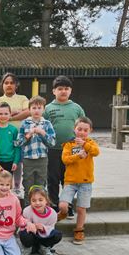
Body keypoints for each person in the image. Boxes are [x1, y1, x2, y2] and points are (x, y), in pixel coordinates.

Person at [44, 76, 85, 213]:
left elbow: (83, 127)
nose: (63, 91)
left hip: (72, 149)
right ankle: (54, 204)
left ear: (70, 91)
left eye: (66, 89)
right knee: (53, 178)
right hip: (53, 149)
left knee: (69, 179)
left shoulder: (76, 108)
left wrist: (83, 144)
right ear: (53, 91)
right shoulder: (48, 109)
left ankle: (68, 205)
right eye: (60, 89)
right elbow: (43, 127)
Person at [58, 117, 100, 245]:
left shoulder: (91, 143)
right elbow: (65, 159)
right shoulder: (68, 144)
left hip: (85, 182)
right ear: (74, 129)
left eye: (85, 130)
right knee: (63, 205)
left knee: (81, 208)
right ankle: (63, 213)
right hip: (70, 181)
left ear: (90, 131)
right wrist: (77, 156)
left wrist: (85, 145)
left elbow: (96, 152)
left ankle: (79, 230)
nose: (82, 132)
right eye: (79, 129)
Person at [0, 73, 30, 195]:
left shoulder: (22, 98)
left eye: (11, 83)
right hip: (3, 134)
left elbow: (28, 112)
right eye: (6, 83)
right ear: (2, 85)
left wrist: (10, 118)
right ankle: (0, 187)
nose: (9, 85)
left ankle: (16, 186)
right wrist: (16, 112)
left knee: (18, 161)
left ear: (16, 85)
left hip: (20, 134)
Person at [15, 96, 56, 202]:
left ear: (43, 109)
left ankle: (40, 209)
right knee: (28, 184)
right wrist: (28, 135)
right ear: (29, 109)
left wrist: (42, 133)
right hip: (28, 159)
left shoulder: (47, 124)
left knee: (41, 184)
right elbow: (18, 143)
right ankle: (27, 209)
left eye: (39, 108)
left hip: (42, 158)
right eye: (34, 108)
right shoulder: (25, 123)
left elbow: (52, 142)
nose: (36, 110)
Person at [19, 186, 62, 255]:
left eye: (40, 200)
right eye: (34, 200)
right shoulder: (27, 211)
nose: (37, 203)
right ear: (30, 201)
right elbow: (22, 225)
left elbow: (51, 227)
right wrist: (29, 225)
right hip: (32, 235)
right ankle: (28, 247)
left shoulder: (53, 213)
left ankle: (44, 247)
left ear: (46, 201)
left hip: (44, 237)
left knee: (57, 234)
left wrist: (43, 228)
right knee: (24, 233)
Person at [0, 102, 20, 174]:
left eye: (6, 114)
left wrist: (15, 161)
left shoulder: (14, 130)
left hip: (10, 162)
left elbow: (17, 147)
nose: (3, 116)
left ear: (10, 114)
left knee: (7, 183)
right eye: (0, 114)